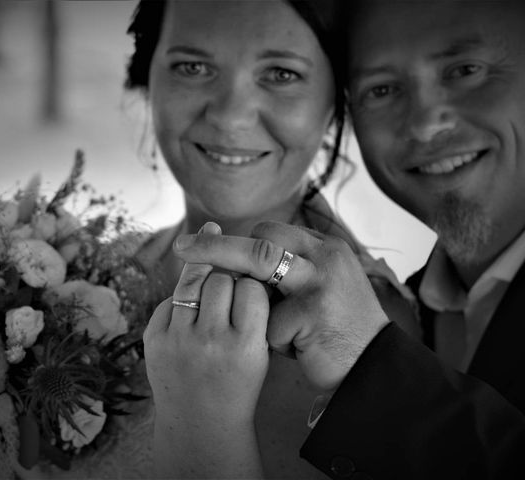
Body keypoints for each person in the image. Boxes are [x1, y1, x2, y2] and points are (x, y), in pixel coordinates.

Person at [144, 0, 525, 478]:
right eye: (382, 88)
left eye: (467, 69)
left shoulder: (384, 315)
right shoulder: (436, 299)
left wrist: (203, 429)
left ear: (331, 106)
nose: (230, 116)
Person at [124, 0, 416, 478]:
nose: (230, 116)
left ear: (335, 100)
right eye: (193, 66)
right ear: (146, 77)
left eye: (281, 73)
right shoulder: (79, 273)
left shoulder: (380, 337)